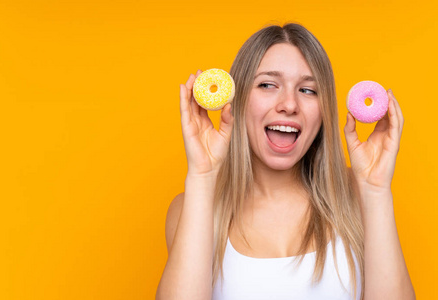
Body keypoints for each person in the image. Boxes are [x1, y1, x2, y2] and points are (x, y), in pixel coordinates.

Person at [156, 23, 415, 300]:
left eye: (308, 90)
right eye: (267, 84)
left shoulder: (357, 194)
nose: (289, 104)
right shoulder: (192, 205)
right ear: (237, 99)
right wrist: (202, 176)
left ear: (324, 111)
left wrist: (375, 190)